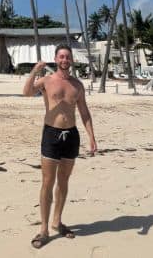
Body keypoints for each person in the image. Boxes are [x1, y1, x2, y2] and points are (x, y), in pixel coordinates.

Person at [23, 45, 97, 249]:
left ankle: (57, 221)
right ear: (56, 59)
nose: (65, 59)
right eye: (61, 56)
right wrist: (35, 71)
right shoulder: (47, 80)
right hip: (51, 134)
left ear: (71, 60)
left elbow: (84, 112)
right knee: (47, 182)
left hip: (71, 136)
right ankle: (44, 229)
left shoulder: (77, 85)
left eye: (68, 57)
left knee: (63, 180)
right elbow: (27, 92)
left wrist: (91, 136)